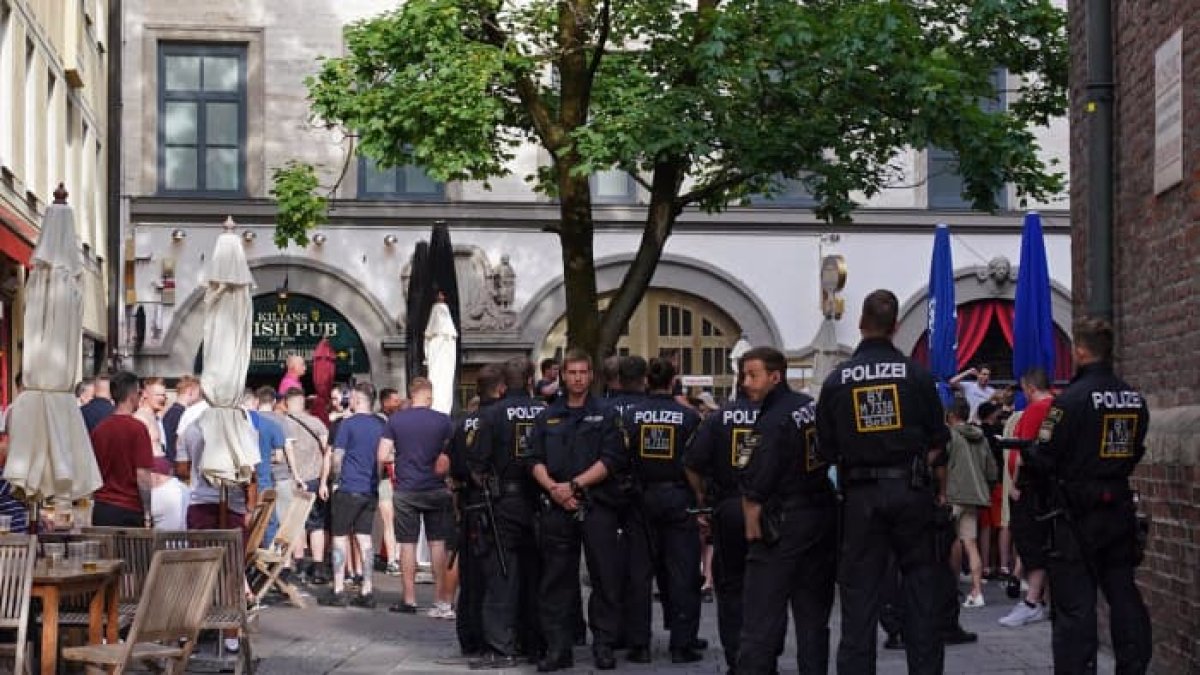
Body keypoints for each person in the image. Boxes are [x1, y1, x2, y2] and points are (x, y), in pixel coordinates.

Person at [816, 289, 950, 674]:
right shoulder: (917, 375)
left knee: (859, 597)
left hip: (860, 496)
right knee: (921, 590)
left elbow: (825, 448)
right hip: (910, 491)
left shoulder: (838, 380)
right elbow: (940, 442)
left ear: (860, 322)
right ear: (895, 327)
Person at [1022, 319, 1151, 672]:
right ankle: (1134, 663)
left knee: (1075, 604)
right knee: (1123, 592)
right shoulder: (1133, 399)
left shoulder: (1070, 402)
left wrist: (1030, 453)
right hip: (1119, 506)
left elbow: (1044, 456)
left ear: (1080, 351)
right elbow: (1135, 450)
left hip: (1075, 513)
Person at [734, 347, 837, 674]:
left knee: (760, 619)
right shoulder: (808, 406)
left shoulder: (771, 421)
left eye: (753, 375)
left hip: (782, 523)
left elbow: (753, 479)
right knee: (813, 618)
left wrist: (752, 526)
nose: (746, 383)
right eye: (744, 375)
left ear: (775, 377)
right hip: (820, 517)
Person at [527, 348, 627, 672]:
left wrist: (574, 487)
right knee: (556, 580)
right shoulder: (547, 415)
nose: (578, 378)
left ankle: (604, 645)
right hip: (556, 506)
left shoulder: (608, 413)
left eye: (583, 372)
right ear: (562, 375)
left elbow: (611, 460)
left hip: (596, 505)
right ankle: (558, 648)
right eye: (572, 373)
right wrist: (555, 490)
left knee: (604, 577)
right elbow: (533, 459)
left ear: (591, 375)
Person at [621, 357, 704, 664]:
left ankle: (639, 644)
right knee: (682, 572)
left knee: (638, 574)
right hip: (678, 497)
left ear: (647, 382)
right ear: (672, 383)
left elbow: (620, 458)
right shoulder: (689, 417)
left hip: (640, 499)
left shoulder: (631, 416)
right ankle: (682, 644)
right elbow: (697, 462)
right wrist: (699, 497)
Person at [467, 358, 548, 669]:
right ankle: (535, 642)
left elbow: (477, 463)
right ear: (530, 380)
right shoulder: (545, 411)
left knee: (502, 573)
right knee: (537, 574)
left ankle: (501, 645)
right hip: (541, 500)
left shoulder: (491, 414)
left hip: (504, 502)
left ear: (504, 383)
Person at [685, 367, 764, 673]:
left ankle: (736, 657)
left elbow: (691, 463)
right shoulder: (779, 415)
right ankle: (762, 655)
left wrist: (703, 498)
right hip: (770, 509)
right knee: (768, 586)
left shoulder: (720, 419)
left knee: (730, 586)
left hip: (729, 506)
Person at [378, 377, 455, 616]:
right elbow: (452, 453)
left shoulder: (396, 420)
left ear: (411, 396)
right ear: (429, 395)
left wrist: (397, 459)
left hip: (406, 489)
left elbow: (381, 454)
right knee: (438, 543)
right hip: (435, 487)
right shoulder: (443, 421)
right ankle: (441, 599)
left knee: (408, 544)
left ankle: (409, 599)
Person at [319, 383, 384, 608]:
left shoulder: (347, 424)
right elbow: (383, 457)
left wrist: (336, 480)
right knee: (364, 538)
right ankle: (366, 589)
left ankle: (338, 588)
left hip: (348, 487)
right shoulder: (380, 425)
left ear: (356, 399)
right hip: (369, 489)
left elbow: (337, 456)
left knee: (339, 536)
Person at [999, 367, 1054, 628]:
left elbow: (1025, 449)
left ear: (1030, 388)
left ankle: (1032, 602)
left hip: (1030, 488)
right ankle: (1039, 599)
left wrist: (1016, 484)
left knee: (1029, 541)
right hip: (1047, 486)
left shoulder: (1035, 410)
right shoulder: (1058, 406)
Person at [943, 398, 998, 609]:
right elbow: (991, 469)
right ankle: (977, 591)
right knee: (970, 543)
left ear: (951, 415)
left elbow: (942, 464)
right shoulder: (981, 437)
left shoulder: (950, 435)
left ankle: (951, 587)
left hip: (954, 494)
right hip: (974, 495)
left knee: (953, 541)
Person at [90, 371, 155, 527]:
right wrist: (147, 511)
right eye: (139, 393)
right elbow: (143, 476)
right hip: (129, 508)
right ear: (132, 395)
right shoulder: (138, 429)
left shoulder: (99, 429)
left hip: (102, 508)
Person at [281, 386, 331, 584]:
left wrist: (295, 474)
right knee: (317, 525)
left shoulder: (284, 423)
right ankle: (318, 567)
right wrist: (324, 479)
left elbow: (288, 451)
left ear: (287, 403)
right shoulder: (316, 422)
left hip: (295, 480)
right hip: (316, 478)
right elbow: (328, 449)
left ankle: (299, 564)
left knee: (298, 524)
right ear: (302, 402)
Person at [163, 374, 201, 470]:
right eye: (199, 393)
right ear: (190, 391)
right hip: (176, 465)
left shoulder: (171, 412)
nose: (200, 397)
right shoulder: (182, 414)